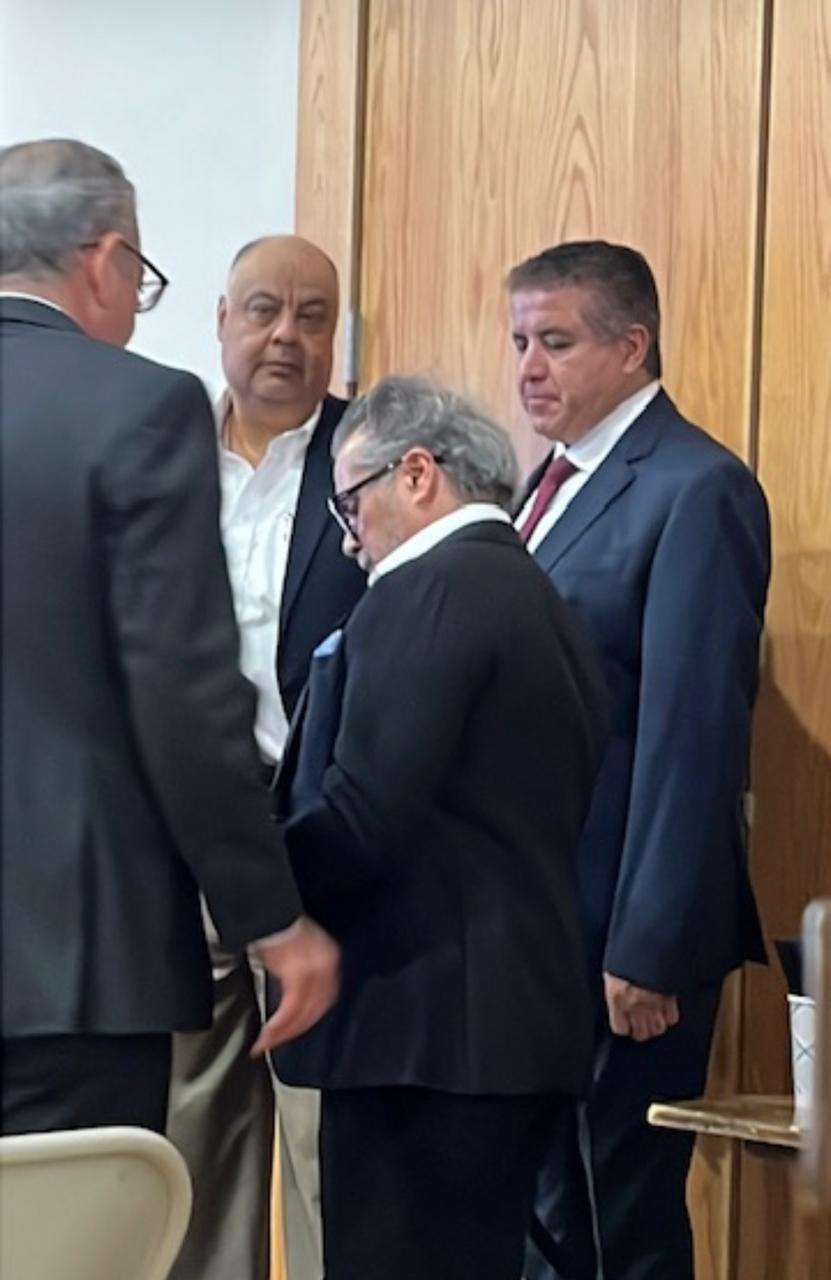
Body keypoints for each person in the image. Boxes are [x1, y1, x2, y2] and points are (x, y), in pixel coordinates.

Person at [0, 140, 339, 1139]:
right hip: (74, 957)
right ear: (105, 261)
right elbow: (180, 689)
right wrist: (268, 915)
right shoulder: (136, 406)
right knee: (71, 1218)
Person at [270, 375, 610, 1280]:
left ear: (416, 474)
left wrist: (248, 883)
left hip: (418, 1043)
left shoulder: (425, 590)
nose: (349, 541)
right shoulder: (535, 596)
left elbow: (362, 818)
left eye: (351, 504)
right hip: (506, 1032)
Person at [507, 240, 770, 1280]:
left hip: (623, 934)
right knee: (544, 1218)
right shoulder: (544, 482)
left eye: (556, 341)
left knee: (618, 1223)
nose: (530, 367)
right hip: (536, 926)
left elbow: (692, 731)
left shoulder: (695, 486)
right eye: (520, 342)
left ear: (631, 345)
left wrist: (650, 944)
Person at [166, 235, 364, 1280]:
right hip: (185, 847)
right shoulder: (159, 455)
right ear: (220, 319)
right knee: (187, 1153)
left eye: (313, 314)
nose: (286, 334)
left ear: (338, 336)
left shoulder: (374, 459)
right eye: (262, 309)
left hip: (320, 851)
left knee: (324, 1153)